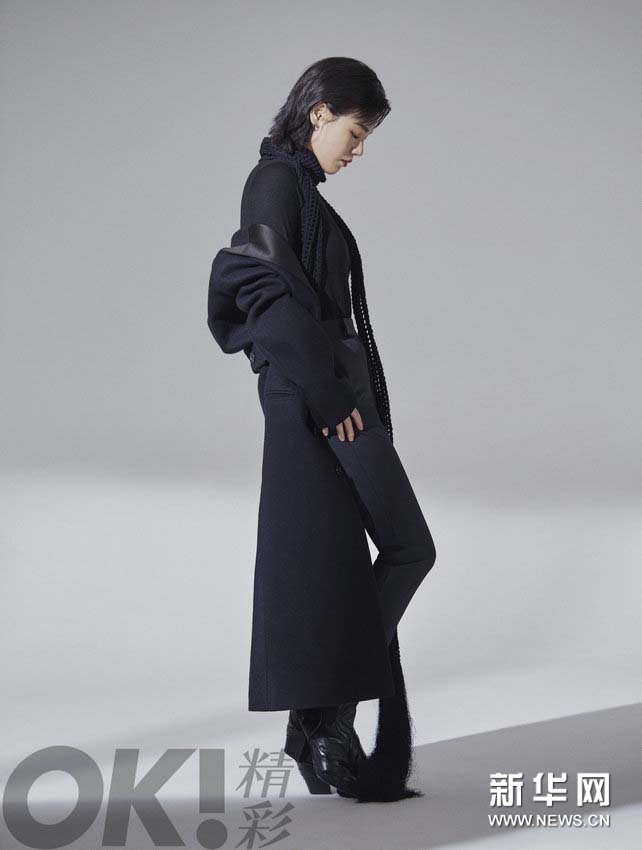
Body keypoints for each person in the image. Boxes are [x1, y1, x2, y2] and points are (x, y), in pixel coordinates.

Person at [207, 57, 437, 803]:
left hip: (330, 392)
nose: (358, 149)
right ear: (320, 112)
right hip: (321, 398)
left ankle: (321, 720)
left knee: (376, 554)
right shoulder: (273, 183)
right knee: (404, 547)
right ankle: (324, 721)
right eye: (356, 131)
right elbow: (264, 290)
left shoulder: (300, 192)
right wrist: (327, 393)